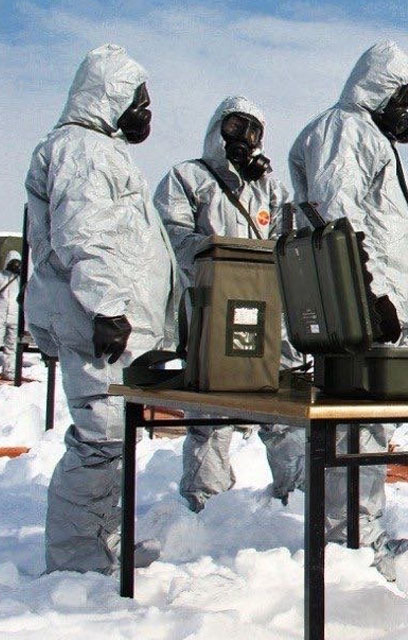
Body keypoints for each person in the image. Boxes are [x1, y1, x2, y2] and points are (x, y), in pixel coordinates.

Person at [24, 44, 181, 574]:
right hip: (95, 324)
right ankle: (75, 561)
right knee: (100, 442)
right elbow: (84, 234)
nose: (145, 113)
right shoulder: (82, 150)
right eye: (137, 101)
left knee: (112, 442)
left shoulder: (98, 150)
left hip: (103, 323)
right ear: (109, 98)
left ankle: (100, 546)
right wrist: (107, 306)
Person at [288, 40, 408, 579]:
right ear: (378, 89)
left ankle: (358, 534)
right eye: (400, 96)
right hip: (363, 305)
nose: (405, 110)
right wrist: (367, 292)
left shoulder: (367, 135)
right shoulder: (345, 129)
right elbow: (336, 211)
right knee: (355, 428)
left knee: (368, 428)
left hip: (377, 305)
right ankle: (348, 543)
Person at [154, 95, 303, 512]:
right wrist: (220, 253)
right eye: (236, 127)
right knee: (209, 412)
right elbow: (172, 238)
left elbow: (285, 243)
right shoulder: (186, 179)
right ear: (217, 129)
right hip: (210, 309)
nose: (244, 138)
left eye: (254, 131)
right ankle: (205, 506)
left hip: (265, 312)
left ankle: (294, 498)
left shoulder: (270, 188)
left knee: (282, 407)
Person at [0, 252, 22, 381]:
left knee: (11, 346)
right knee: (9, 345)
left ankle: (9, 371)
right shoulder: (2, 277)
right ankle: (9, 370)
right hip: (4, 315)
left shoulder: (20, 279)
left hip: (13, 316)